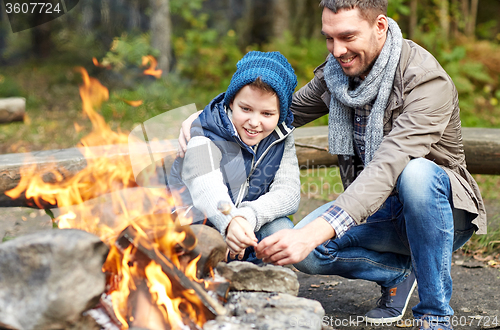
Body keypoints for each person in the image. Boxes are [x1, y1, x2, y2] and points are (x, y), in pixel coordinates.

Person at [177, 1, 486, 329]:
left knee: (416, 174)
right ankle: (401, 273)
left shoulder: (425, 82)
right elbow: (279, 108)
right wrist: (213, 116)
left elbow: (389, 165)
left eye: (347, 36)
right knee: (303, 252)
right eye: (329, 38)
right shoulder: (337, 75)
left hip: (438, 210)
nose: (337, 50)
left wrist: (312, 233)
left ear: (379, 26)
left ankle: (435, 316)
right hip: (376, 208)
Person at [169, 51, 300, 263]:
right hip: (197, 227)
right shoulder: (205, 133)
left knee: (281, 228)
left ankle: (262, 276)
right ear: (231, 102)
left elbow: (289, 193)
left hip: (247, 228)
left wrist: (247, 217)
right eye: (245, 109)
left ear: (280, 114)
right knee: (199, 239)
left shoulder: (280, 137)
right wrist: (231, 221)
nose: (254, 122)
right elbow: (207, 187)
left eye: (267, 114)